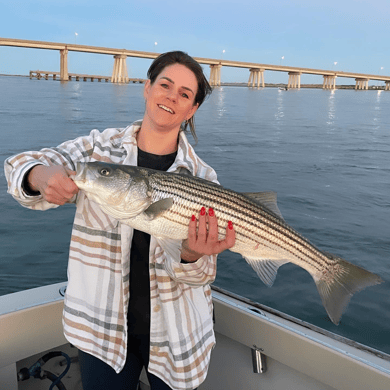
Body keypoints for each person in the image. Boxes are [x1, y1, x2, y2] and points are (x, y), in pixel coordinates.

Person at [5, 51, 236, 390]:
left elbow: (203, 275)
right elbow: (17, 167)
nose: (171, 96)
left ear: (192, 109)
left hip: (177, 331)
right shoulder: (98, 151)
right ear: (147, 88)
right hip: (101, 327)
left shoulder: (203, 178)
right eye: (165, 84)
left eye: (184, 94)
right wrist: (39, 176)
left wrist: (191, 255)